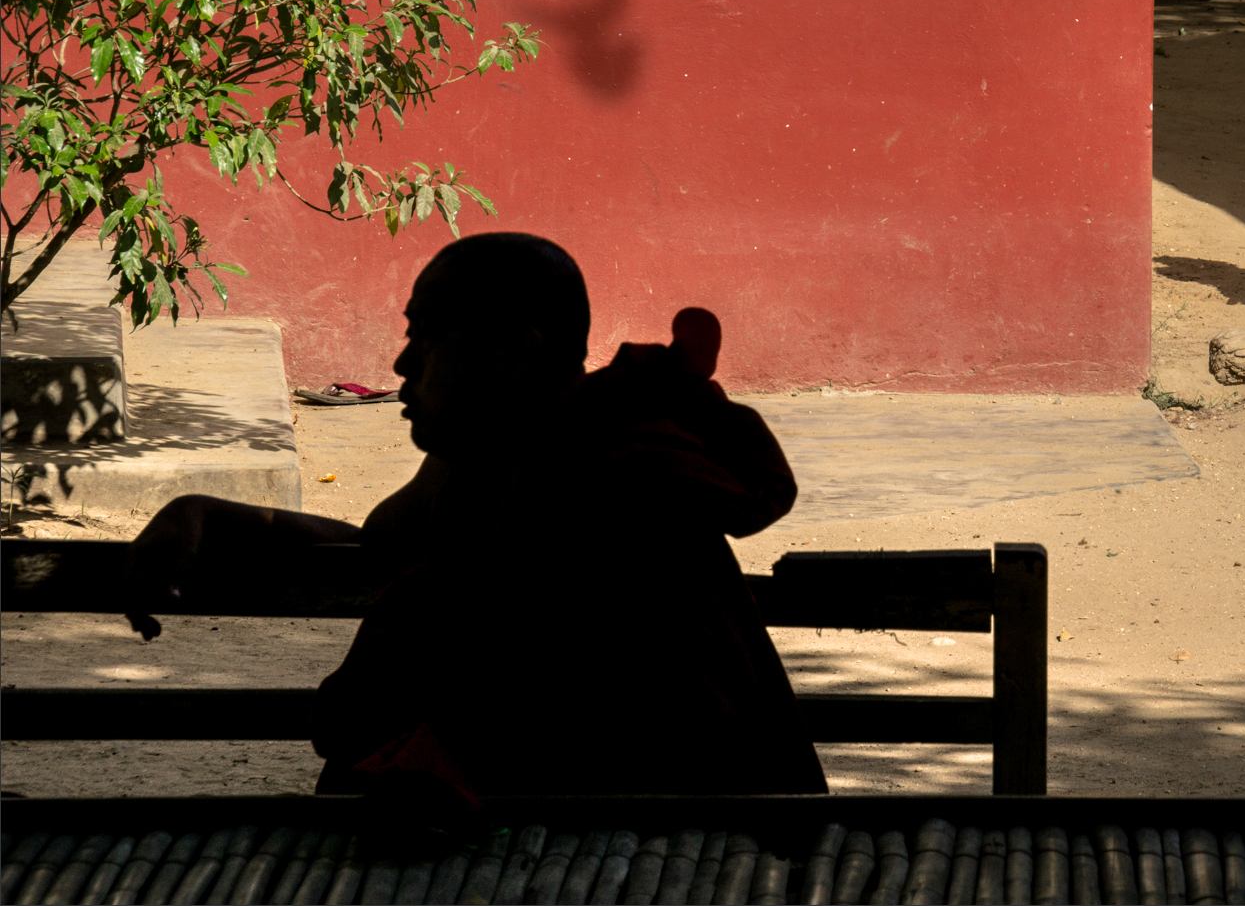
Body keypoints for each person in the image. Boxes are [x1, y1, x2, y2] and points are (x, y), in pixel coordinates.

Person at [121, 233, 827, 805]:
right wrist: (216, 514)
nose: (402, 362)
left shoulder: (615, 468)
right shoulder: (478, 461)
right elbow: (380, 548)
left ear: (515, 353)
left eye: (427, 337)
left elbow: (658, 727)